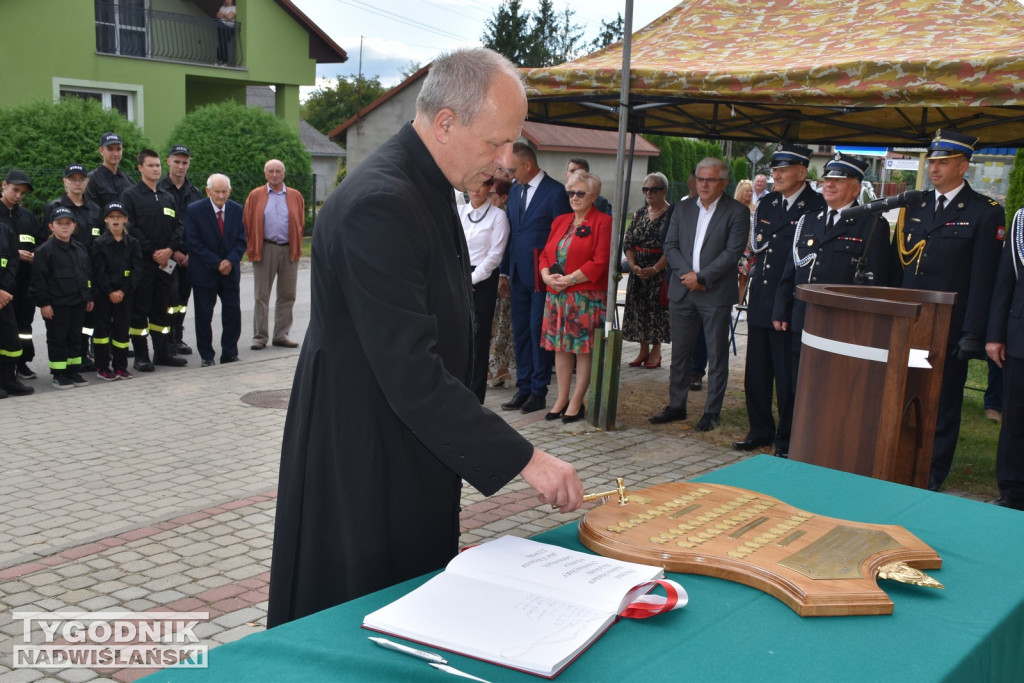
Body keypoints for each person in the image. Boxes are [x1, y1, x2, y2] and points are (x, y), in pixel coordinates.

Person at [267, 47, 584, 627]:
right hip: (366, 459)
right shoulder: (383, 203)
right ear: (445, 123)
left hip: (403, 445)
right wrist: (526, 458)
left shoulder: (428, 184)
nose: (508, 160)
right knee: (364, 618)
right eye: (497, 143)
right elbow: (412, 372)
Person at [892, 129, 1004, 491]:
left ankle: (932, 471)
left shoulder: (984, 212)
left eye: (942, 162)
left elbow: (983, 278)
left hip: (949, 327)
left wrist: (973, 332)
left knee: (942, 402)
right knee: (907, 392)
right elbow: (902, 270)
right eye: (932, 161)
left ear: (963, 166)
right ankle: (901, 459)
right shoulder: (916, 204)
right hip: (913, 323)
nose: (934, 168)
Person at [735, 143, 826, 458]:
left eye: (784, 170)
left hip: (788, 301)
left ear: (802, 172)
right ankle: (759, 429)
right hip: (762, 296)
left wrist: (786, 302)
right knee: (756, 374)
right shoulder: (769, 202)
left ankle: (787, 438)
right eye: (774, 170)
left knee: (787, 377)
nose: (776, 175)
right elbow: (760, 248)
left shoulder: (815, 205)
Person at [772, 152, 891, 390]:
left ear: (856, 189)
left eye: (839, 180)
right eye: (827, 179)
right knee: (799, 383)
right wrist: (781, 309)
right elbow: (792, 268)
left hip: (842, 323)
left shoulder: (872, 224)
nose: (829, 184)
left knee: (833, 387)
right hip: (803, 316)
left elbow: (875, 280)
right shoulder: (809, 220)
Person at [650, 157, 748, 430]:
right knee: (680, 353)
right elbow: (670, 245)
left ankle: (711, 412)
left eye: (710, 179)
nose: (703, 184)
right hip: (683, 291)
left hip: (714, 293)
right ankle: (676, 406)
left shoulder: (737, 212)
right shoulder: (682, 208)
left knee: (717, 355)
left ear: (724, 183)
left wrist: (703, 277)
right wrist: (688, 276)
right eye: (700, 179)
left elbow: (733, 253)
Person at [500, 142, 572, 414]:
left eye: (513, 169)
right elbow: (512, 235)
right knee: (520, 333)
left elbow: (560, 238)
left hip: (543, 278)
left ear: (528, 165)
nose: (510, 175)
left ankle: (538, 391)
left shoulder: (555, 193)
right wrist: (505, 272)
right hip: (518, 276)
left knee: (537, 332)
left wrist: (554, 273)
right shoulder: (516, 190)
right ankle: (524, 387)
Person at [538, 170, 612, 422]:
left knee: (582, 350)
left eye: (581, 193)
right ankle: (561, 398)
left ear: (593, 196)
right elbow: (546, 254)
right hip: (557, 295)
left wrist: (569, 280)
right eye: (571, 193)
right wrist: (547, 276)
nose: (575, 197)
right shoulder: (560, 220)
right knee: (560, 348)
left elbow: (600, 262)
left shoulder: (603, 221)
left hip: (584, 297)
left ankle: (577, 400)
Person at [120, 149, 188, 371]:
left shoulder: (168, 196)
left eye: (158, 165)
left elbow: (179, 226)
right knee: (140, 310)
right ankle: (141, 356)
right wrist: (154, 252)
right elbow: (130, 227)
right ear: (140, 168)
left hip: (166, 264)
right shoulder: (130, 195)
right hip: (144, 263)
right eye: (151, 165)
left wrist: (169, 250)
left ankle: (163, 353)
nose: (156, 169)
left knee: (163, 308)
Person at [46, 163, 104, 372]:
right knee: (66, 323)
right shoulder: (55, 207)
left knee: (88, 318)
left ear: (87, 181)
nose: (77, 183)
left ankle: (83, 353)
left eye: (81, 179)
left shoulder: (95, 210)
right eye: (73, 179)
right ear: (65, 182)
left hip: (90, 272)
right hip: (64, 276)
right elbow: (47, 243)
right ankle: (69, 360)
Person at [243, 159, 305, 350]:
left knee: (287, 294)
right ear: (265, 174)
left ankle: (281, 334)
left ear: (284, 174)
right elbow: (247, 221)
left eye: (278, 171)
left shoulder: (295, 196)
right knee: (262, 295)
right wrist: (252, 245)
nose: (275, 175)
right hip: (265, 247)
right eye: (270, 171)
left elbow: (300, 222)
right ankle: (260, 336)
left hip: (289, 248)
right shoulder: (255, 195)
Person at [185, 173, 246, 367]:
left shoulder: (237, 210)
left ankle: (229, 352)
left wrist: (230, 261)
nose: (220, 196)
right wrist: (217, 263)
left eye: (224, 191)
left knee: (232, 313)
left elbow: (242, 240)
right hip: (204, 272)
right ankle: (206, 355)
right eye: (217, 192)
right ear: (208, 191)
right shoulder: (195, 210)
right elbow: (194, 243)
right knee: (204, 315)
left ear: (230, 191)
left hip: (230, 272)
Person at [29, 207, 93, 389]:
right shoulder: (44, 251)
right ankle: (59, 373)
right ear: (51, 226)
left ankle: (73, 370)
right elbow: (38, 281)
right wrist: (44, 304)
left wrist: (88, 297)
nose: (64, 227)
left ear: (74, 226)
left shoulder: (79, 248)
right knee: (58, 338)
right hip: (57, 305)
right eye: (59, 223)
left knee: (75, 337)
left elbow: (86, 275)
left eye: (68, 223)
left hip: (78, 302)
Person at [985, 208, 1024, 510]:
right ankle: (1012, 490)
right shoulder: (1022, 220)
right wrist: (995, 335)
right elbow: (1005, 279)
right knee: (1015, 418)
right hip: (1020, 338)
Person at [459, 177, 510, 403]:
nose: (475, 191)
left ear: (489, 188)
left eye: (480, 186)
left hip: (484, 279)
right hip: (459, 275)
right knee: (459, 335)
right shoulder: (459, 212)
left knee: (479, 338)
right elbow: (453, 246)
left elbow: (495, 255)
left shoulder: (498, 216)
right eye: (471, 186)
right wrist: (460, 277)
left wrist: (472, 278)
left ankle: (475, 394)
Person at [623, 172, 672, 369]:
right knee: (637, 309)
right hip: (638, 270)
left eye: (654, 189)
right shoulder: (639, 214)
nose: (649, 193)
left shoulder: (672, 215)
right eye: (645, 189)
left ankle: (656, 351)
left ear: (664, 191)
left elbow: (673, 246)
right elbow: (628, 242)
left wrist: (655, 268)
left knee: (656, 311)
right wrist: (633, 265)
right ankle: (642, 349)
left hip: (659, 270)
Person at [0, 170, 45, 382]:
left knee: (24, 325)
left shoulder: (27, 217)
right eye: (15, 190)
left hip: (24, 280)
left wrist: (35, 253)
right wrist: (15, 253)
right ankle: (5, 369)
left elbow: (40, 241)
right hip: (3, 282)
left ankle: (23, 363)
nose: (18, 196)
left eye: (23, 193)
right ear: (4, 185)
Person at [159, 144, 204, 357]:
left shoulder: (195, 192)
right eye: (176, 161)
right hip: (168, 256)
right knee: (169, 296)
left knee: (183, 299)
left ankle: (177, 336)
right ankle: (166, 339)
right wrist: (173, 251)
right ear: (168, 161)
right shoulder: (159, 190)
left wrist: (191, 253)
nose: (180, 166)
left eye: (184, 162)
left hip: (188, 256)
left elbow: (199, 226)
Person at [92, 202, 142, 381]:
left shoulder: (133, 243)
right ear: (105, 219)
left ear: (125, 219)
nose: (115, 220)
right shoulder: (99, 243)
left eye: (119, 217)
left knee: (122, 331)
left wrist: (123, 291)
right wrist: (110, 292)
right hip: (104, 295)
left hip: (125, 295)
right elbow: (98, 271)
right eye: (111, 217)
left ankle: (121, 366)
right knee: (102, 333)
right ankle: (103, 367)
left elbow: (137, 271)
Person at [0, 213, 33, 397]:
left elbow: (13, 261)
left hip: (4, 295)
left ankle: (9, 380)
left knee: (11, 341)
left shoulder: (5, 230)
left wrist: (4, 289)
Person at [487, 178, 516, 387]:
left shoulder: (504, 217)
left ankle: (499, 368)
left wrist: (502, 275)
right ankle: (496, 368)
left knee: (502, 323)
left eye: (492, 194)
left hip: (501, 276)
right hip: (490, 275)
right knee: (495, 323)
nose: (489, 198)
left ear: (504, 197)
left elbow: (505, 249)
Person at [85, 132, 133, 210]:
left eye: (118, 149)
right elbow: (91, 211)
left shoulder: (128, 180)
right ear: (101, 151)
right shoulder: (92, 179)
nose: (115, 153)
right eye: (110, 149)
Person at [734, 179, 758, 311]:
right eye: (747, 191)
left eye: (751, 191)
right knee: (731, 279)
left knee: (744, 278)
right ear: (740, 192)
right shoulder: (733, 207)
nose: (749, 193)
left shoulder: (754, 208)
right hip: (735, 247)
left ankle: (740, 305)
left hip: (749, 249)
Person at [216, 0, 237, 66]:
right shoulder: (222, 7)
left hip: (229, 28)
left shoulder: (234, 8)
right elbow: (217, 15)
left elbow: (230, 17)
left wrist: (223, 14)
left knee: (223, 43)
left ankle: (223, 61)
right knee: (221, 43)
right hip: (221, 27)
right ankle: (220, 60)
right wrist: (226, 15)